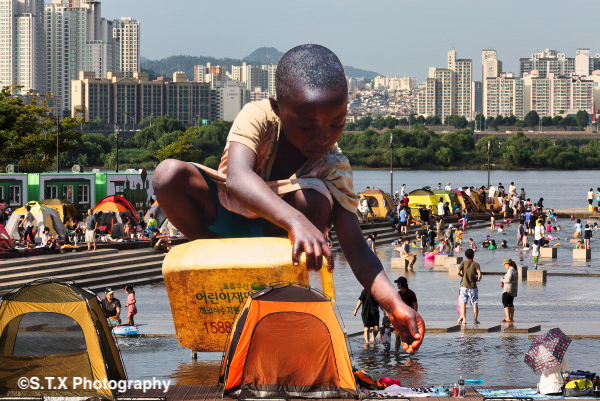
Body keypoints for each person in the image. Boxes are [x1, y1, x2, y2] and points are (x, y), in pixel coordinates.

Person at [152, 44, 423, 352]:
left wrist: (394, 304)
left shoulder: (334, 168)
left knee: (313, 197)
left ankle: (288, 297)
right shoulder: (259, 116)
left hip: (280, 246)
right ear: (278, 109)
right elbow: (238, 178)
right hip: (224, 224)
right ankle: (213, 260)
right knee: (167, 175)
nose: (322, 137)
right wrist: (296, 221)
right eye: (306, 126)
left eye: (337, 123)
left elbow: (357, 249)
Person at [457, 249, 482, 325]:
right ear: (473, 255)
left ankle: (464, 320)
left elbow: (458, 272)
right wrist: (478, 279)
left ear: (465, 255)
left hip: (464, 286)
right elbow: (479, 274)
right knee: (475, 303)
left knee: (463, 303)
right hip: (473, 286)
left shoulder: (463, 263)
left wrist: (462, 276)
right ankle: (475, 320)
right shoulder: (476, 264)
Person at [501, 258, 518, 323]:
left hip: (508, 289)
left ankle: (508, 317)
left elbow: (508, 280)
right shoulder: (514, 270)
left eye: (505, 265)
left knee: (504, 302)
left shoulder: (510, 270)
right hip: (513, 289)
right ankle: (511, 318)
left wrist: (502, 280)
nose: (505, 266)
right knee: (510, 303)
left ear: (508, 264)